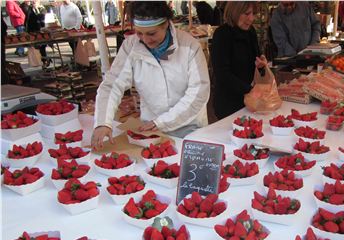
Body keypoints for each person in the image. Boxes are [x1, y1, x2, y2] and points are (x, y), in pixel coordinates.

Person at [91, 1, 210, 150]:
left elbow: (198, 93)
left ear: (166, 24)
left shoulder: (190, 46)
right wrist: (103, 122)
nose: (145, 40)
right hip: (150, 130)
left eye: (151, 33)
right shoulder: (130, 46)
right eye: (139, 33)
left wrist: (162, 122)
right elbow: (112, 85)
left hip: (189, 127)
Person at [210, 1, 268, 119]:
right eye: (247, 14)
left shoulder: (250, 31)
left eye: (253, 13)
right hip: (229, 103)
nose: (251, 18)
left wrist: (261, 65)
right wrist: (250, 90)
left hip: (249, 100)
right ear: (235, 12)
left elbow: (256, 59)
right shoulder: (222, 34)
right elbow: (222, 73)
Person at [25, 0, 50, 68]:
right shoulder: (29, 10)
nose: (33, 2)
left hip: (42, 33)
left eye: (35, 1)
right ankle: (42, 61)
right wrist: (27, 32)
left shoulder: (42, 9)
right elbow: (26, 21)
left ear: (39, 2)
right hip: (32, 32)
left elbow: (43, 20)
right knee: (36, 48)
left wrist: (37, 10)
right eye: (32, 1)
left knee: (42, 48)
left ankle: (44, 62)